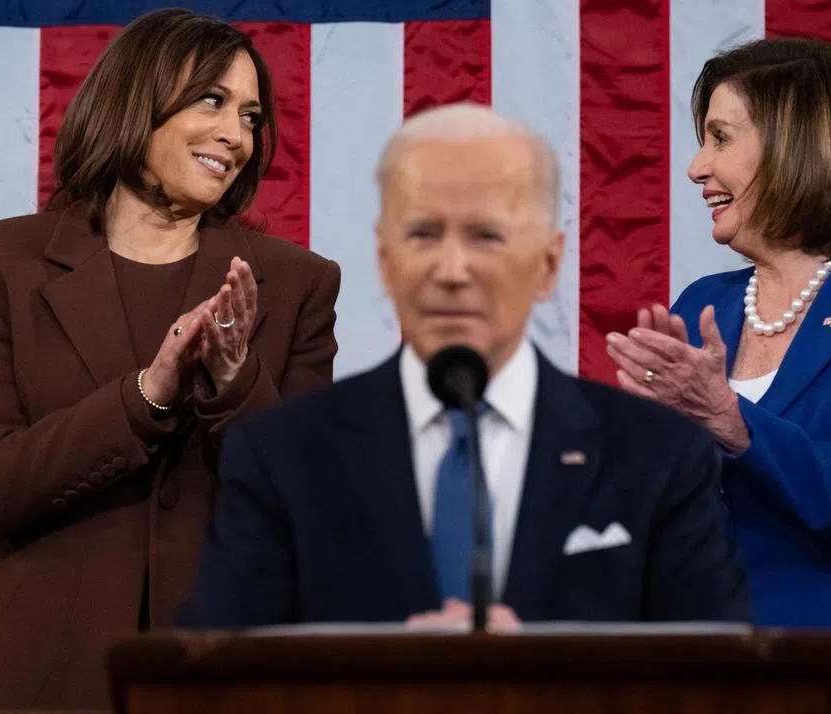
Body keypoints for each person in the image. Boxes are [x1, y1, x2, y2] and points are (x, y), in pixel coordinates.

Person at [178, 103, 750, 630]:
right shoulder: (283, 455)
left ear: (548, 264)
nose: (453, 270)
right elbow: (215, 684)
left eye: (486, 236)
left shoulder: (656, 456)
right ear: (385, 260)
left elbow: (716, 690)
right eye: (424, 234)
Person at [0, 9, 340, 709]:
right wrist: (146, 395)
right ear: (135, 99)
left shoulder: (297, 282)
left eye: (249, 116)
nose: (234, 134)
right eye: (211, 100)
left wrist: (237, 381)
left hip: (227, 685)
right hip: (36, 685)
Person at [605, 38, 831, 704]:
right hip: (705, 680)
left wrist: (729, 421)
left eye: (719, 138)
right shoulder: (704, 305)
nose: (695, 167)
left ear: (802, 144)